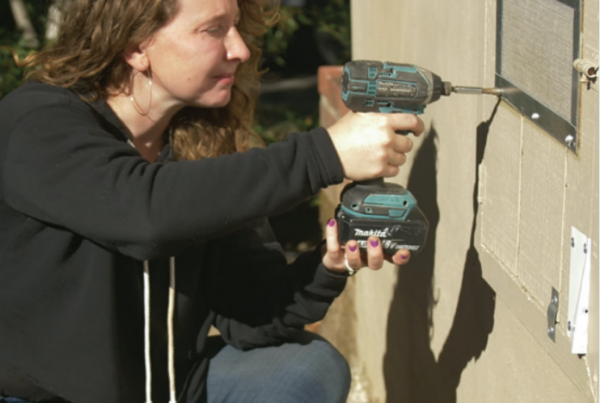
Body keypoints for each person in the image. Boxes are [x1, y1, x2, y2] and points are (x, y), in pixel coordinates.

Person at [0, 0, 424, 402]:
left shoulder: (199, 148)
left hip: (167, 389)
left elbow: (251, 315)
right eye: (214, 30)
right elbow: (145, 213)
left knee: (308, 368)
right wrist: (322, 155)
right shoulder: (37, 124)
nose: (239, 49)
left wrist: (331, 265)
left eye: (236, 26)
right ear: (135, 47)